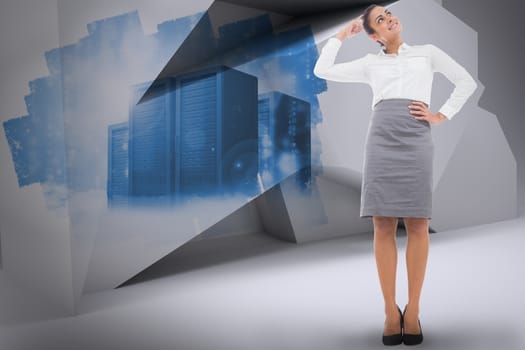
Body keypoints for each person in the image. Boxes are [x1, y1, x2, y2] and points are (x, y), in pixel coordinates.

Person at [313, 3, 478, 346]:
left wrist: (441, 115)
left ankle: (413, 310)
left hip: (416, 139)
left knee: (417, 222)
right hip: (381, 141)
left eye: (388, 13)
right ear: (373, 35)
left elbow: (465, 81)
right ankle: (391, 311)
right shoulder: (370, 63)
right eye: (380, 20)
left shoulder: (427, 53)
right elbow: (321, 70)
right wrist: (342, 35)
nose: (389, 19)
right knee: (382, 223)